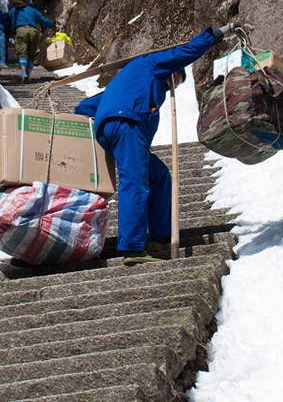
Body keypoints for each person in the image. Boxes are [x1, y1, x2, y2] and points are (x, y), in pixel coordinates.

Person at [75, 23, 235, 264]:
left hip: (112, 128)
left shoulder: (130, 79)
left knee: (158, 175)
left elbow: (87, 105)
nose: (174, 86)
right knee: (135, 182)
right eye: (177, 80)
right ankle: (132, 247)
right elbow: (188, 51)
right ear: (174, 71)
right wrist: (219, 33)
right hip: (128, 124)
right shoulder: (153, 64)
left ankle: (160, 237)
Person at [3, 1, 58, 83]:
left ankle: (23, 73)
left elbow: (5, 21)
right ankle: (28, 75)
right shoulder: (32, 10)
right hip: (33, 31)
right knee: (31, 55)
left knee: (22, 53)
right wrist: (54, 26)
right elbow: (44, 21)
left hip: (21, 30)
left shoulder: (14, 10)